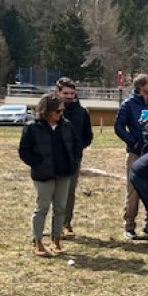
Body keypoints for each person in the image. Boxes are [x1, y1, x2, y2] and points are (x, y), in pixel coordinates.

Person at [19, 94, 83, 257]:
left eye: (62, 111)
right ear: (46, 111)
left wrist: (73, 163)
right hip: (43, 175)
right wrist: (38, 164)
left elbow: (77, 145)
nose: (61, 114)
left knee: (60, 208)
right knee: (42, 208)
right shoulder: (32, 127)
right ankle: (37, 241)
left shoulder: (66, 125)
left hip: (64, 173)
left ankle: (56, 240)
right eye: (58, 111)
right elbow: (24, 151)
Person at [114, 74, 148, 240]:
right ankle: (129, 225)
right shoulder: (128, 104)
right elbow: (118, 127)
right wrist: (132, 142)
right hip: (135, 153)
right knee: (133, 191)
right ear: (141, 86)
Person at [54, 78, 93, 239]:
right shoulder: (50, 110)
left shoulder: (82, 113)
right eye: (65, 93)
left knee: (69, 192)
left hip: (73, 160)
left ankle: (66, 223)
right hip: (52, 159)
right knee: (51, 192)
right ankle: (52, 224)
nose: (69, 97)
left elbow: (87, 136)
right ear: (58, 93)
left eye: (72, 93)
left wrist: (77, 149)